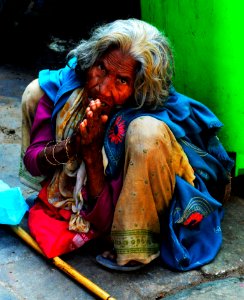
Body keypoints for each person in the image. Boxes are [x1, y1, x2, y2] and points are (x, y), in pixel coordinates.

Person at [19, 18, 233, 272]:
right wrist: (72, 146)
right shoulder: (70, 87)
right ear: (92, 60)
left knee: (146, 133)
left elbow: (105, 219)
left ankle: (137, 247)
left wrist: (93, 156)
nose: (103, 88)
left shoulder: (143, 119)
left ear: (138, 87)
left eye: (121, 80)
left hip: (150, 198)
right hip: (91, 189)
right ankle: (55, 195)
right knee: (36, 90)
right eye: (101, 68)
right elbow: (33, 161)